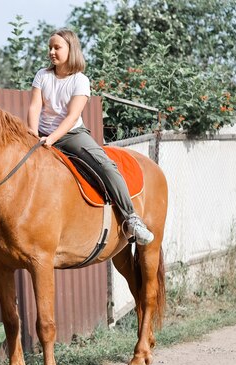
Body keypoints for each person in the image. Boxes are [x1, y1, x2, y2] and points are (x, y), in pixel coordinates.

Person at [27, 28, 154, 245]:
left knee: (106, 166)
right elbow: (35, 106)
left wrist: (51, 139)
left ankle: (131, 218)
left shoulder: (80, 81)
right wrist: (31, 132)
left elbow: (71, 117)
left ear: (71, 49)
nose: (51, 52)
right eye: (50, 47)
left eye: (57, 47)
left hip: (71, 135)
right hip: (39, 134)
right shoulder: (42, 75)